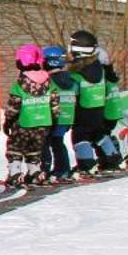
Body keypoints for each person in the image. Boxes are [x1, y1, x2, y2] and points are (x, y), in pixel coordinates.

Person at [64, 30, 122, 176]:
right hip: (98, 109)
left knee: (80, 136)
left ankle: (86, 163)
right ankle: (112, 158)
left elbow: (73, 92)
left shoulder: (76, 74)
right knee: (98, 133)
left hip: (83, 110)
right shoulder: (100, 69)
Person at [3, 45, 56, 188]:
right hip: (42, 122)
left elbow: (14, 106)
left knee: (15, 147)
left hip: (23, 122)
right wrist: (54, 119)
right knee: (35, 148)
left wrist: (8, 121)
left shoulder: (19, 84)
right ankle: (35, 172)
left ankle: (15, 173)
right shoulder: (48, 81)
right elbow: (54, 102)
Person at [40, 47, 77, 183]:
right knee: (58, 142)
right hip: (67, 116)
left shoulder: (49, 80)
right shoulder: (71, 79)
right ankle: (63, 169)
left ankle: (51, 169)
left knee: (48, 143)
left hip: (54, 117)